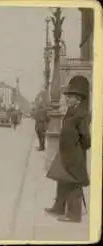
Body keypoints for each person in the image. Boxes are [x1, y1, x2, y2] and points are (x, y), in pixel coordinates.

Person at [45, 76, 91, 223]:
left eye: (70, 97)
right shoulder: (71, 112)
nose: (67, 99)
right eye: (67, 96)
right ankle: (58, 207)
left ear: (78, 99)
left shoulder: (81, 115)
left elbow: (86, 138)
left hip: (74, 155)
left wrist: (78, 149)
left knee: (73, 184)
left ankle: (74, 215)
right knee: (61, 179)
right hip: (66, 153)